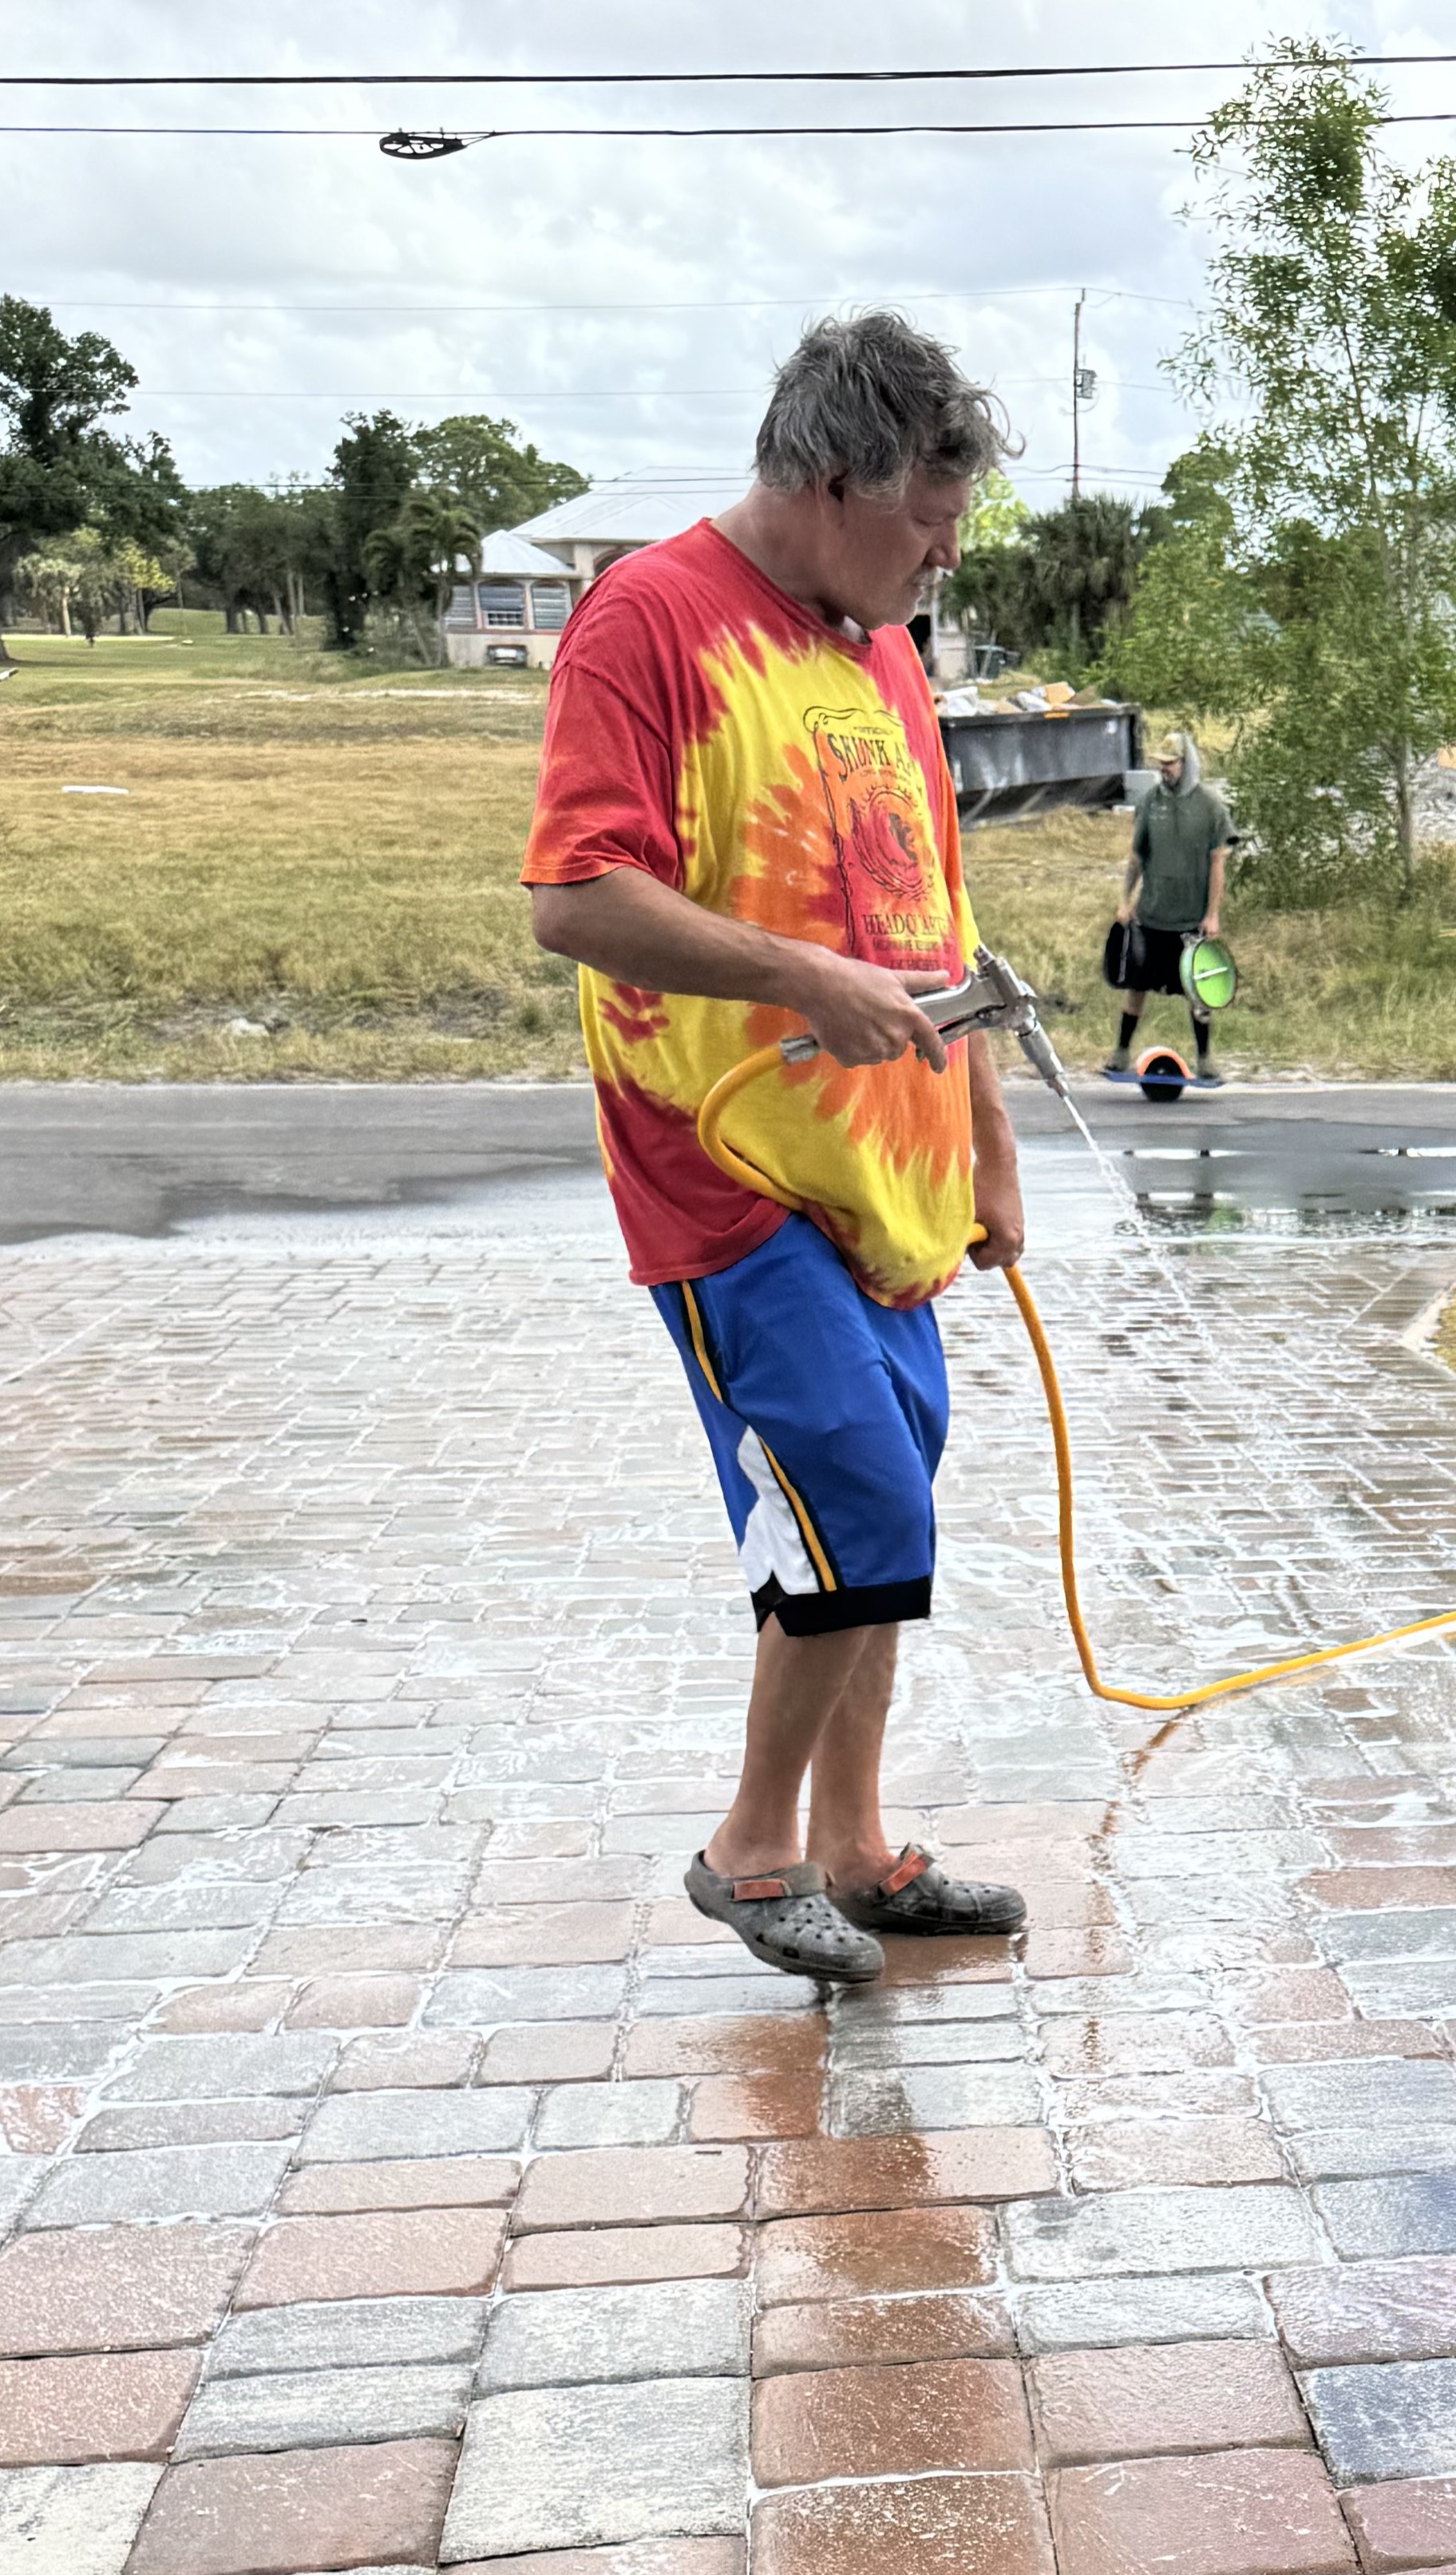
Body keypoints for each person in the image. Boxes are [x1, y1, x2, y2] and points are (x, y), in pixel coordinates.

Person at [523, 312, 1030, 1988]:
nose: (944, 554)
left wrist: (986, 1146)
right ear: (829, 480)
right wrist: (800, 974)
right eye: (926, 521)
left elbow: (941, 924)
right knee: (857, 1505)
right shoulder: (649, 622)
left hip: (884, 1178)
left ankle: (855, 1847)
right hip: (722, 1168)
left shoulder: (881, 648)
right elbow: (574, 897)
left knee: (882, 1512)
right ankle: (752, 1848)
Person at [1109, 731, 1232, 1078]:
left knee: (1199, 993)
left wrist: (1212, 914)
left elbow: (1218, 863)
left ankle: (1205, 1059)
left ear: (1186, 763)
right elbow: (1137, 856)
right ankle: (1120, 1052)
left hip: (1191, 920)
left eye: (1171, 764)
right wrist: (1125, 899)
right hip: (1152, 915)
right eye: (1161, 764)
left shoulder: (1210, 806)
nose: (1165, 770)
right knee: (1136, 987)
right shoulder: (1150, 802)